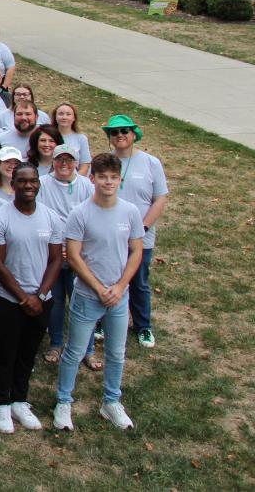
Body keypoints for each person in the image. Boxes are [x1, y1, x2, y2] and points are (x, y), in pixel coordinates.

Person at [54, 152, 146, 432]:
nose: (108, 182)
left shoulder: (130, 212)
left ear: (120, 180)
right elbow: (73, 255)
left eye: (113, 177)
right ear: (91, 178)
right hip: (87, 296)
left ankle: (111, 402)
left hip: (119, 297)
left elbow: (136, 251)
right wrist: (98, 287)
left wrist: (120, 287)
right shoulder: (80, 213)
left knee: (116, 353)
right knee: (75, 351)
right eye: (102, 177)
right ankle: (63, 401)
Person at [0, 164, 62, 434]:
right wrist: (23, 298)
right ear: (13, 184)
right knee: (5, 353)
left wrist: (39, 295)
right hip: (8, 299)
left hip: (42, 299)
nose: (28, 186)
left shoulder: (51, 217)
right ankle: (1, 403)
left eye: (33, 181)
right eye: (22, 182)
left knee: (27, 354)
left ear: (38, 184)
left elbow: (55, 259)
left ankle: (19, 399)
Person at [103, 114, 168, 349]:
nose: (120, 135)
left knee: (138, 281)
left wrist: (143, 228)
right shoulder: (104, 162)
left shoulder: (151, 163)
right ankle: (102, 321)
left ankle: (142, 325)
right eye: (114, 132)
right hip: (109, 235)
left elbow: (160, 199)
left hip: (142, 235)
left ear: (134, 134)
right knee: (107, 277)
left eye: (124, 131)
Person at [38, 145, 97, 365]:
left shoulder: (85, 186)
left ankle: (88, 349)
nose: (64, 164)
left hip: (79, 255)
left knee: (82, 303)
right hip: (51, 254)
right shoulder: (43, 184)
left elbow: (93, 218)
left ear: (76, 162)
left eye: (69, 159)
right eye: (59, 159)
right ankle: (56, 344)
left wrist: (74, 249)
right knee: (55, 302)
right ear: (52, 161)